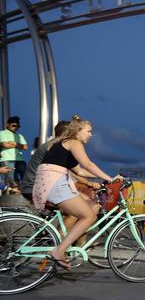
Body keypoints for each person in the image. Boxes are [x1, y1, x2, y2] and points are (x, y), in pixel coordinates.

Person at [32, 115, 121, 270]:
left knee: (92, 206)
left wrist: (104, 179)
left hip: (49, 182)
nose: (91, 135)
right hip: (55, 183)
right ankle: (60, 250)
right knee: (88, 216)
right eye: (89, 131)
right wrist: (111, 179)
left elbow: (80, 171)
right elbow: (87, 164)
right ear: (78, 131)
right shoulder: (74, 142)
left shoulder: (63, 144)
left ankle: (73, 243)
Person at [21, 121, 71, 202]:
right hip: (35, 187)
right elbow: (71, 171)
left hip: (32, 186)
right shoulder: (55, 148)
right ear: (67, 133)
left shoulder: (52, 145)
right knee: (83, 206)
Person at [0, 116, 29, 193]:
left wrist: (13, 143)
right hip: (7, 159)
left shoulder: (19, 136)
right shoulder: (1, 133)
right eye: (13, 125)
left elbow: (25, 147)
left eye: (18, 126)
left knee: (26, 178)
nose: (16, 127)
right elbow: (4, 145)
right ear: (7, 125)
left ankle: (20, 192)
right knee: (11, 178)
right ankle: (14, 192)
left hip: (20, 159)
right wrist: (18, 145)